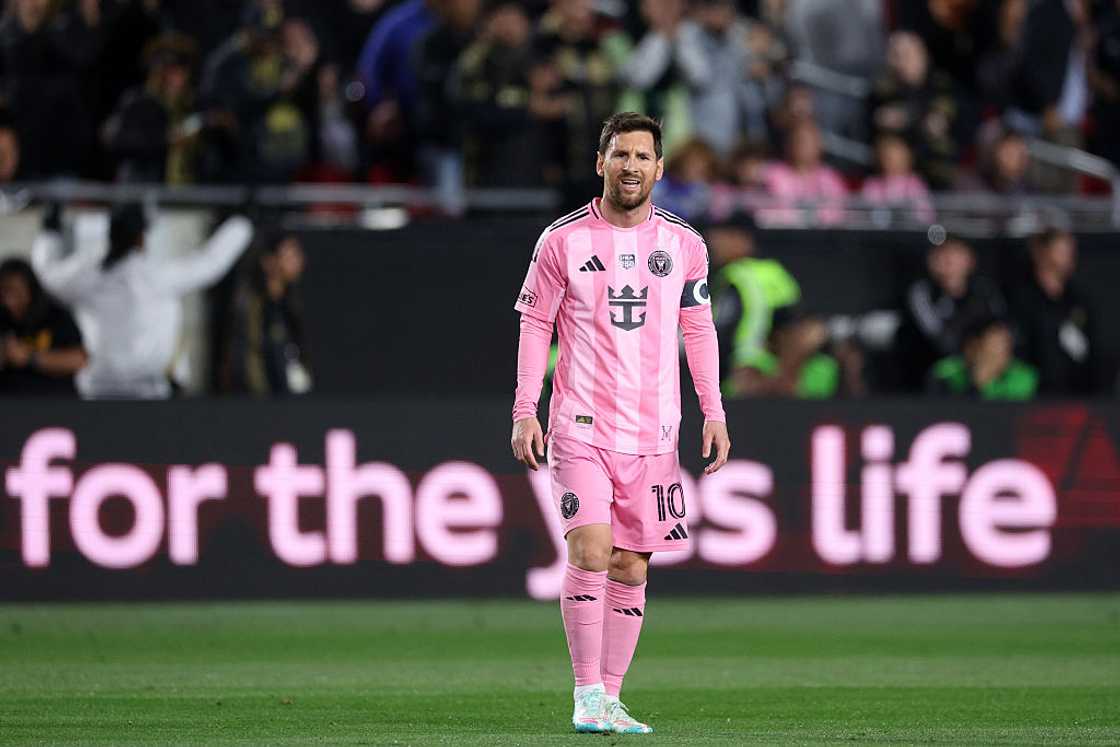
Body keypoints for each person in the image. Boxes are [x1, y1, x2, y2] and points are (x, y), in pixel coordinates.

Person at [510, 112, 729, 734]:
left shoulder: (685, 245)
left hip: (655, 432)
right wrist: (526, 408)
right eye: (620, 154)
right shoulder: (561, 241)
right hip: (579, 424)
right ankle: (584, 694)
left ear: (660, 169)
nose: (631, 166)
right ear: (599, 162)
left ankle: (608, 695)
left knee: (632, 564)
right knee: (591, 548)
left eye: (642, 156)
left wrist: (713, 410)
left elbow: (697, 329)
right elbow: (535, 324)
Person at [31, 202, 253, 399]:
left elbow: (47, 275)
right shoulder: (156, 275)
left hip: (101, 392)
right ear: (141, 238)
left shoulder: (88, 275)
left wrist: (49, 231)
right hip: (140, 394)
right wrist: (243, 222)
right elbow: (210, 263)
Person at [893, 236, 1006, 391]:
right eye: (943, 253)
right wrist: (970, 348)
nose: (949, 260)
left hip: (980, 363)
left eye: (955, 253)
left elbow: (999, 330)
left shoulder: (983, 290)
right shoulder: (922, 292)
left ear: (969, 259)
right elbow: (940, 339)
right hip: (932, 367)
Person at [221, 229, 311, 396]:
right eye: (289, 256)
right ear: (269, 261)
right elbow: (247, 356)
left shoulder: (290, 303)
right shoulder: (253, 306)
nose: (298, 262)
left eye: (297, 255)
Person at [1009, 228, 1096, 395]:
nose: (1069, 257)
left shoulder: (1078, 300)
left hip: (1075, 393)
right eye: (1062, 251)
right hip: (1032, 392)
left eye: (1071, 251)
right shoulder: (1022, 298)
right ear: (1041, 253)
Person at [0, 257, 87, 396]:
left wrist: (30, 358)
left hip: (53, 402)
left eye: (15, 291)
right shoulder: (3, 316)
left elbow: (79, 359)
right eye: (3, 292)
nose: (9, 300)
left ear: (30, 289)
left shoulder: (56, 315)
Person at [928, 316, 1037, 400]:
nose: (1003, 350)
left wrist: (985, 384)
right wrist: (974, 383)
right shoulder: (946, 373)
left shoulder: (1024, 376)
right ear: (975, 346)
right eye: (995, 344)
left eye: (1006, 343)